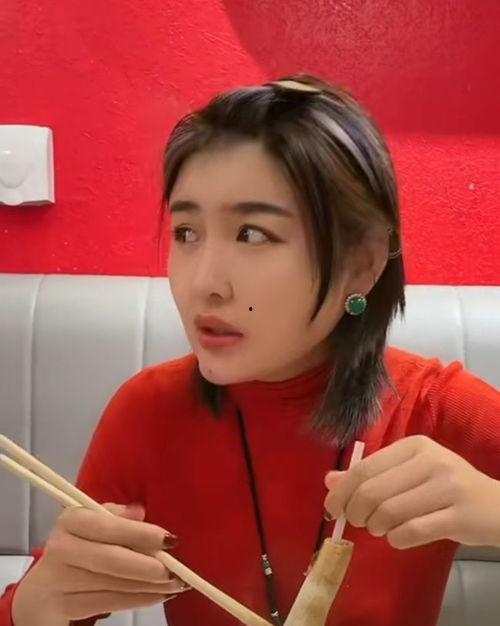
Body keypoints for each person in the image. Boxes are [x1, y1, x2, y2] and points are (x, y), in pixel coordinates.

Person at [1, 74, 499, 626]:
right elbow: (50, 602)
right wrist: (37, 604)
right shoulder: (148, 412)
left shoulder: (435, 408)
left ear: (362, 265)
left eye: (252, 234)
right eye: (186, 232)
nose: (204, 284)